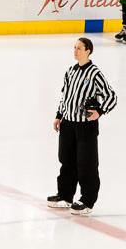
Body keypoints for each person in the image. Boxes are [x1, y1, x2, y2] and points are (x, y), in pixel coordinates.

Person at [47, 37, 118, 216]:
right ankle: (65, 196)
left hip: (85, 127)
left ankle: (87, 200)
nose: (75, 51)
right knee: (66, 160)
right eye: (74, 48)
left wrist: (100, 112)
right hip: (68, 124)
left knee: (87, 163)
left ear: (88, 51)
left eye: (79, 48)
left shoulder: (94, 73)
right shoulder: (70, 71)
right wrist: (58, 116)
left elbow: (111, 96)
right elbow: (65, 96)